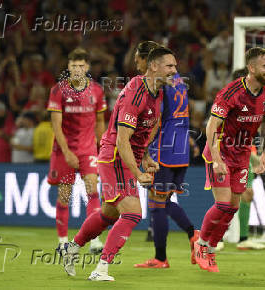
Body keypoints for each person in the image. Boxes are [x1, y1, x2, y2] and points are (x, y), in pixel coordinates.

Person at [59, 47, 178, 281]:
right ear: (154, 66)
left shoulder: (158, 91)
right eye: (170, 66)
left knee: (109, 213)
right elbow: (122, 140)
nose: (175, 70)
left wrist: (144, 156)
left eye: (175, 66)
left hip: (126, 156)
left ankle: (73, 247)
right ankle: (100, 270)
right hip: (115, 155)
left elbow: (146, 128)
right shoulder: (137, 93)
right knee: (133, 213)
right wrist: (138, 172)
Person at [194, 47, 265, 272]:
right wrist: (217, 159)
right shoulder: (231, 92)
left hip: (241, 153)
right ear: (251, 68)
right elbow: (211, 125)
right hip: (219, 149)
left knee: (232, 207)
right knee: (222, 203)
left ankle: (210, 250)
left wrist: (264, 153)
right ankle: (201, 245)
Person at [132, 41, 199, 269]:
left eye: (139, 60)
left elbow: (155, 121)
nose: (136, 64)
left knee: (156, 203)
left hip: (164, 150)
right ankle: (192, 236)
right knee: (164, 200)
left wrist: (141, 148)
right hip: (181, 149)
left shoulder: (159, 84)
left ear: (151, 62)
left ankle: (162, 257)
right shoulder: (179, 80)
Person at [47, 47, 107, 253]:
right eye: (74, 66)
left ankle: (95, 240)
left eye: (81, 66)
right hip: (64, 150)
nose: (78, 69)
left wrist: (104, 147)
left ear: (87, 67)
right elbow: (56, 125)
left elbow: (100, 121)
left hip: (88, 149)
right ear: (68, 67)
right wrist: (67, 152)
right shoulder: (58, 91)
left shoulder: (97, 90)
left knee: (92, 190)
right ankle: (63, 240)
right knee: (65, 194)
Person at [215, 69, 265, 251]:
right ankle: (216, 237)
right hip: (228, 154)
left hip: (245, 154)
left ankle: (243, 238)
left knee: (247, 195)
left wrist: (257, 151)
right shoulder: (228, 102)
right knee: (227, 199)